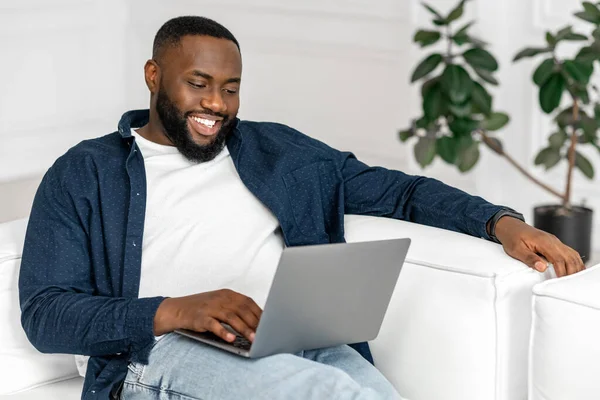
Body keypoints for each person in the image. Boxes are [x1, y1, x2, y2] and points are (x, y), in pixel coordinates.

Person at [18, 16, 585, 400]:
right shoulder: (83, 173)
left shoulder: (280, 152)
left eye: (231, 87)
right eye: (198, 83)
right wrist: (174, 310)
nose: (217, 103)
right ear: (153, 76)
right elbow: (45, 314)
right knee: (332, 396)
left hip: (288, 335)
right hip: (155, 355)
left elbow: (401, 191)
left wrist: (500, 223)